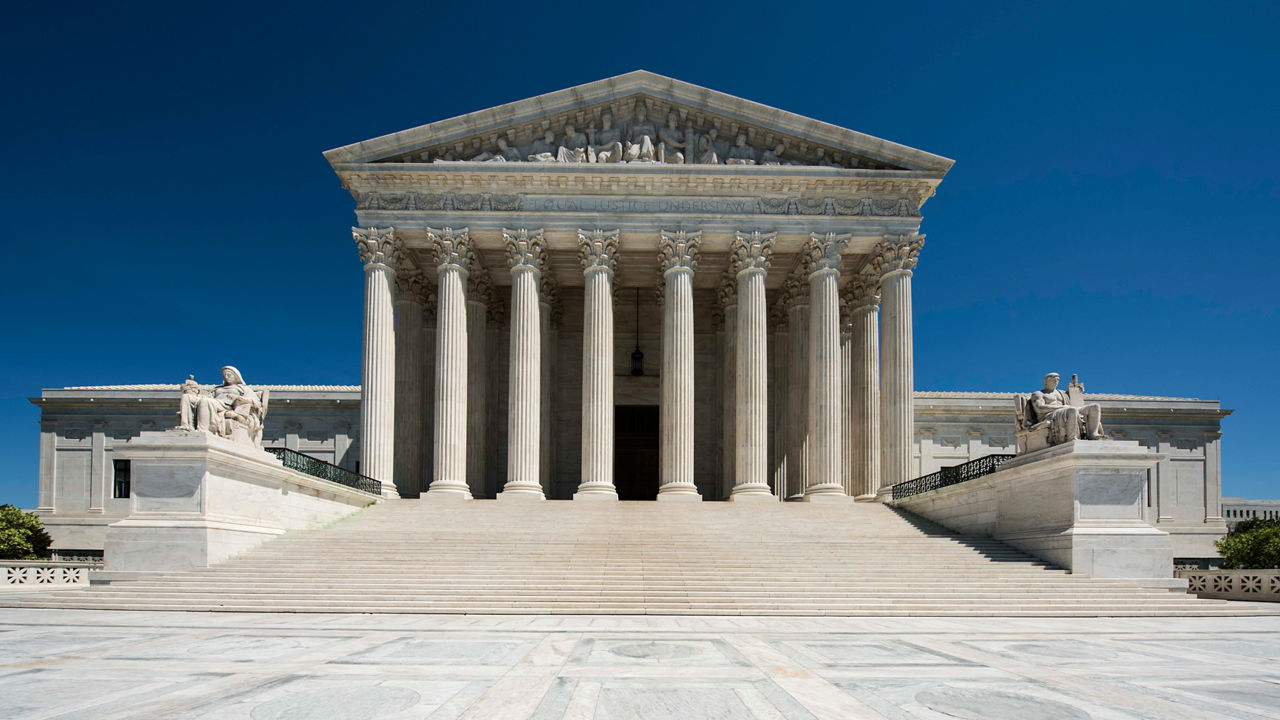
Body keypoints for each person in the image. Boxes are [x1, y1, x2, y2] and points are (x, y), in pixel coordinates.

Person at [178, 366, 265, 446]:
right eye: (224, 375)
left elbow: (256, 402)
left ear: (236, 376)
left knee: (205, 402)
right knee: (186, 397)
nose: (226, 377)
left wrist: (238, 398)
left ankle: (203, 429)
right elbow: (207, 396)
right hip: (215, 402)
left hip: (228, 406)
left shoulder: (244, 389)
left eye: (229, 375)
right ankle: (186, 425)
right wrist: (193, 390)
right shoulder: (217, 389)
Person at [1029, 372, 1104, 443]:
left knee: (1095, 407)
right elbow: (1039, 408)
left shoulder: (1062, 393)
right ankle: (1071, 437)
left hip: (1066, 409)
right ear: (1046, 381)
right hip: (1050, 414)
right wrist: (1061, 407)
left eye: (1057, 380)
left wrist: (1076, 389)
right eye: (1053, 380)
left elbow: (1071, 398)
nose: (1056, 382)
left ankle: (1093, 434)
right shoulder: (1038, 393)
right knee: (1072, 410)